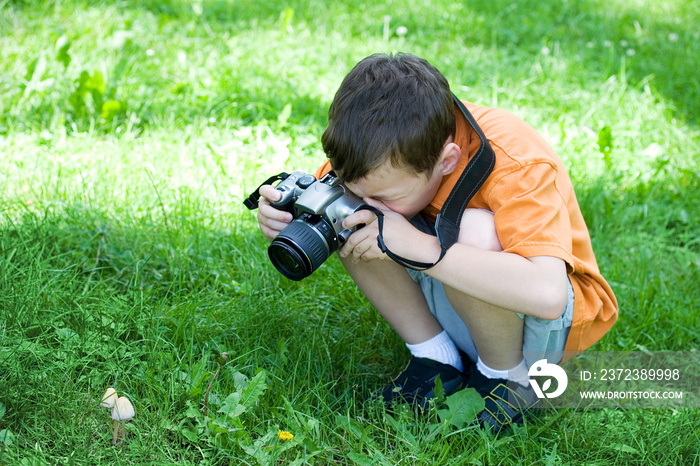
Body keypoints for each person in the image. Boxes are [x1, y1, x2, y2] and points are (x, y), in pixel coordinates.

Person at [255, 53, 618, 431]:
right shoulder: (380, 160)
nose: (374, 203)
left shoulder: (513, 158)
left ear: (447, 161)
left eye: (387, 197)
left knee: (471, 231)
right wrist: (284, 216)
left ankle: (506, 379)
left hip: (540, 331)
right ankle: (435, 360)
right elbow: (349, 201)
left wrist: (419, 246)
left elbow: (547, 294)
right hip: (466, 303)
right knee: (344, 212)